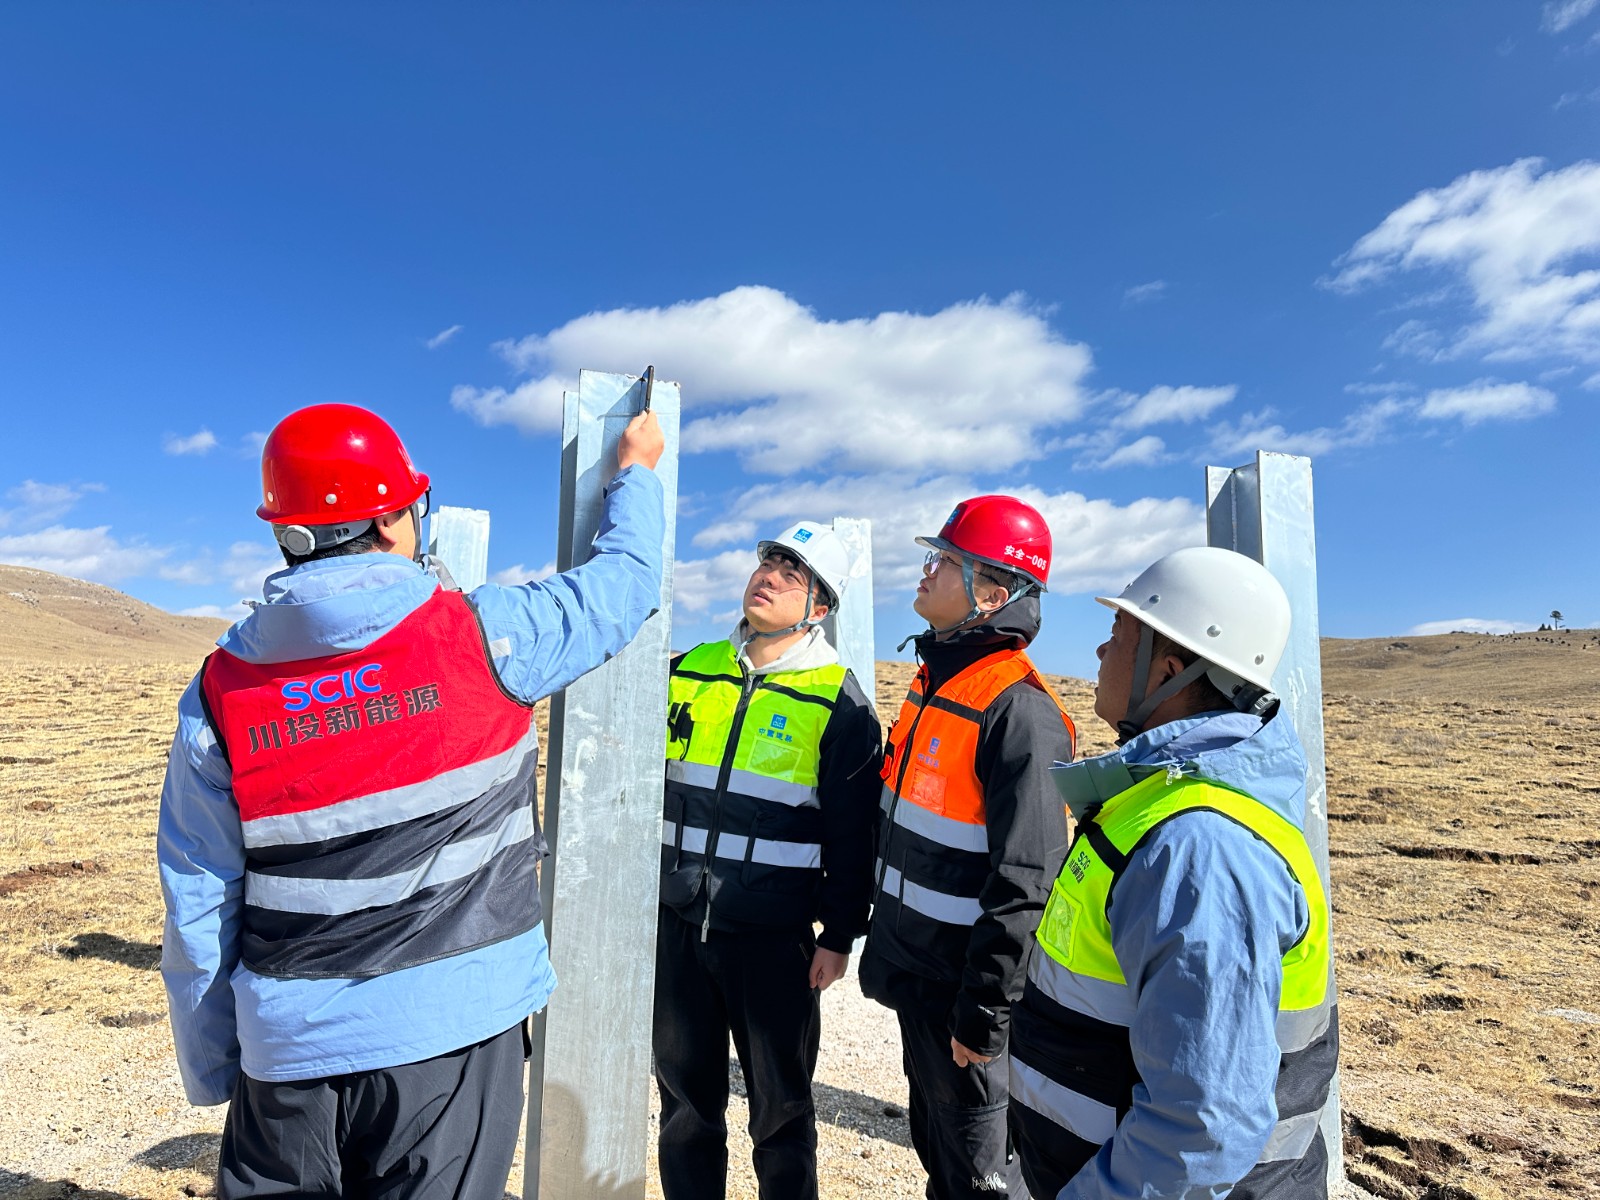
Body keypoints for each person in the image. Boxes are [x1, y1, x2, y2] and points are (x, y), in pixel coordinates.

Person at [157, 401, 665, 1200]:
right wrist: (635, 475)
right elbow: (624, 587)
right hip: (453, 1039)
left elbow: (197, 896)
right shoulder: (487, 634)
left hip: (288, 1051)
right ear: (392, 520)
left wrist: (220, 1062)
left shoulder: (220, 690)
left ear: (287, 533)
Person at [1007, 546, 1339, 1200]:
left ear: (1168, 670)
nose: (1101, 651)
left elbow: (1201, 1130)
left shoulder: (1201, 848)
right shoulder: (1164, 805)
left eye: (1119, 633)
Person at [654, 521, 882, 1200]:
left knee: (780, 1113)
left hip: (773, 939)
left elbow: (853, 833)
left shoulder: (838, 700)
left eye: (792, 573)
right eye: (768, 563)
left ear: (820, 605)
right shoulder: (690, 669)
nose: (770, 577)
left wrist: (838, 935)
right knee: (685, 1106)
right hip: (678, 924)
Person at [859, 495, 1077, 1200]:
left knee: (982, 1184)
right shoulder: (936, 681)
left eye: (945, 560)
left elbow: (1027, 884)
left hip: (965, 1000)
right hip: (923, 982)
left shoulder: (1021, 713)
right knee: (942, 1164)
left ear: (992, 592)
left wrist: (984, 1016)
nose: (926, 571)